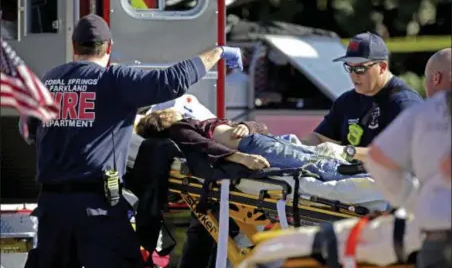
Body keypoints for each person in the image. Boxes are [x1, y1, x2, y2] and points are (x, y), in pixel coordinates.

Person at [18, 14, 244, 268]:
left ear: (74, 45)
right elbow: (173, 79)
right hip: (97, 212)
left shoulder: (50, 79)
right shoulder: (116, 80)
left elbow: (28, 129)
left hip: (52, 210)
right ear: (109, 47)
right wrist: (218, 52)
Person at [364, 48, 452, 268]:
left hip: (441, 242)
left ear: (435, 78)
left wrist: (413, 201)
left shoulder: (424, 114)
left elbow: (378, 158)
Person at [135, 108, 370, 181]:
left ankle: (367, 174)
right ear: (162, 120)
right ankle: (366, 178)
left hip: (260, 141)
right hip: (254, 148)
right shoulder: (179, 129)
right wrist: (243, 158)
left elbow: (261, 127)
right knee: (314, 165)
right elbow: (206, 147)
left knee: (316, 161)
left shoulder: (192, 124)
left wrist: (247, 126)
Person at [301, 32, 423, 162]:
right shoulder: (347, 100)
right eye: (349, 67)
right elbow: (319, 138)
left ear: (382, 67)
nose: (354, 75)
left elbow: (401, 153)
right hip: (350, 179)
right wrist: (299, 145)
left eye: (360, 69)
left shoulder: (404, 102)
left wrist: (348, 152)